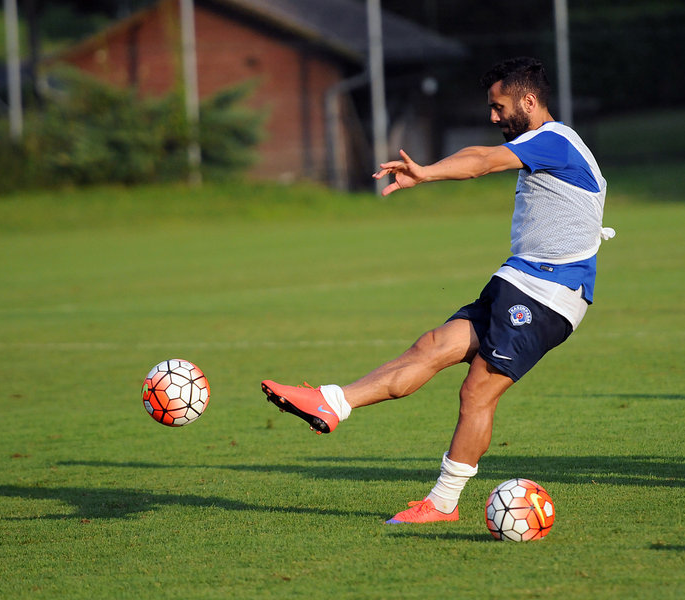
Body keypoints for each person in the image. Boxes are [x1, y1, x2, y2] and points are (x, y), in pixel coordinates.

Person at [261, 57, 614, 524]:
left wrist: (426, 173)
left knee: (477, 391)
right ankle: (333, 401)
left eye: (499, 106)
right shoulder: (544, 145)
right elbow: (484, 154)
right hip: (519, 281)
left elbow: (482, 160)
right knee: (431, 345)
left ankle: (443, 503)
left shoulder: (556, 141)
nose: (493, 116)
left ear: (529, 101)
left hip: (550, 292)